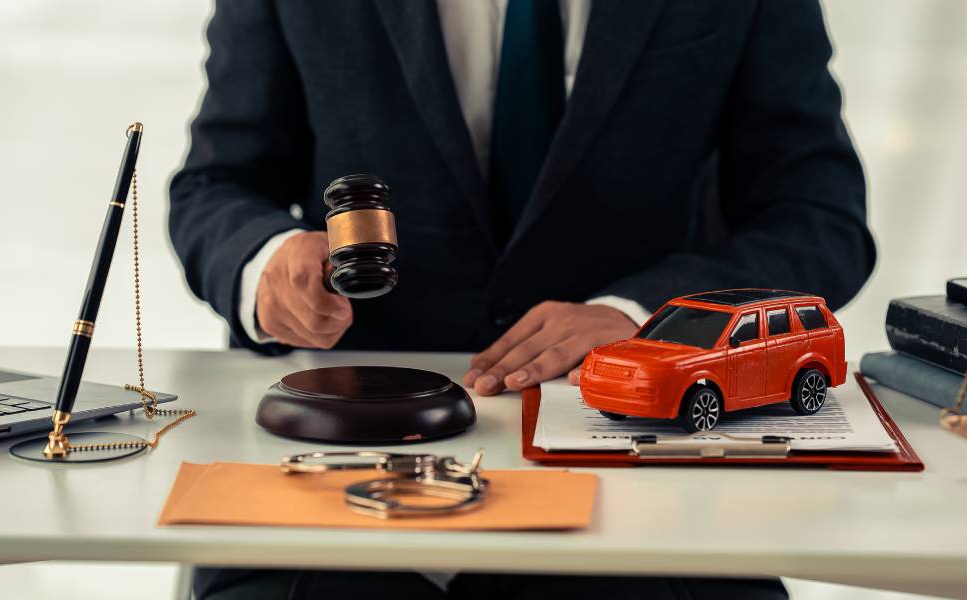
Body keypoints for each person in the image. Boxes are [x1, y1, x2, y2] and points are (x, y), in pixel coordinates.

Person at [170, 1, 874, 598]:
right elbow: (216, 185)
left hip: (644, 493)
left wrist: (646, 320)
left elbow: (819, 216)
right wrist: (265, 263)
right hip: (325, 480)